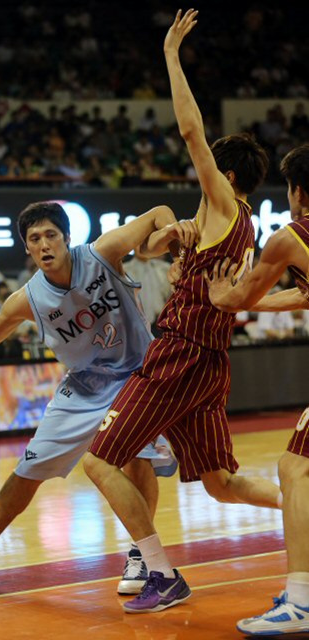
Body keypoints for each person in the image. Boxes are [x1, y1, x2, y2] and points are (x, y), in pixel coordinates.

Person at [83, 8, 281, 615]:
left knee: (96, 457)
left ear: (223, 175)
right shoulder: (232, 227)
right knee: (221, 484)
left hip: (181, 355)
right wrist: (180, 256)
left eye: (205, 170)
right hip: (209, 360)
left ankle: (162, 574)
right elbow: (165, 252)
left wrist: (171, 55)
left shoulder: (224, 202)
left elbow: (193, 133)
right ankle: (300, 499)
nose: (197, 174)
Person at [0, 201, 198, 593]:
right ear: (26, 248)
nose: (44, 245)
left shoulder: (102, 253)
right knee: (28, 468)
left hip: (137, 377)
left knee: (135, 458)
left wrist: (180, 257)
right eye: (34, 239)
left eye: (50, 236)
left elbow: (160, 212)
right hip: (82, 386)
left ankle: (141, 556)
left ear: (66, 239)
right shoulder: (28, 298)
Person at [204, 143, 309, 636]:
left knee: (296, 468)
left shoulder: (291, 237)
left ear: (298, 191)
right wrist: (254, 304)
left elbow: (241, 294)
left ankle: (303, 602)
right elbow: (299, 294)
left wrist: (226, 297)